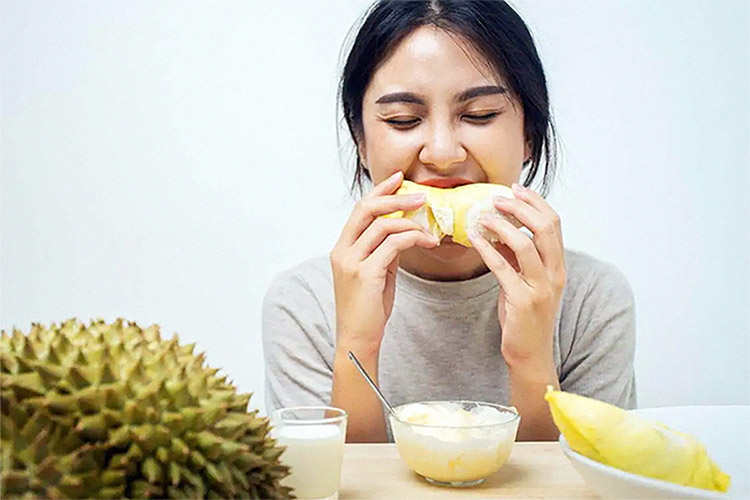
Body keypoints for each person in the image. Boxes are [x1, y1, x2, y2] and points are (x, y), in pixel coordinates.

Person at [263, 0, 636, 443]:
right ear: (361, 142)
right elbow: (326, 486)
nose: (442, 154)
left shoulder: (590, 301)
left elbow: (585, 487)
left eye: (479, 115)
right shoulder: (305, 305)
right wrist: (356, 347)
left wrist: (532, 359)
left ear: (529, 136)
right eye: (403, 120)